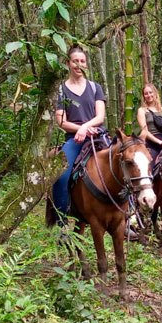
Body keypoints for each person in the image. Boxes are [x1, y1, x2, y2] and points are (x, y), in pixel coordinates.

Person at [51, 46, 107, 223]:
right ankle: (62, 222)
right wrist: (80, 130)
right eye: (75, 61)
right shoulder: (61, 90)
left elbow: (100, 116)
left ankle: (129, 218)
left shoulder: (94, 87)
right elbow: (61, 121)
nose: (79, 65)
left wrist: (86, 127)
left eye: (82, 61)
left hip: (97, 135)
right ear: (67, 63)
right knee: (61, 176)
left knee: (125, 162)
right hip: (74, 139)